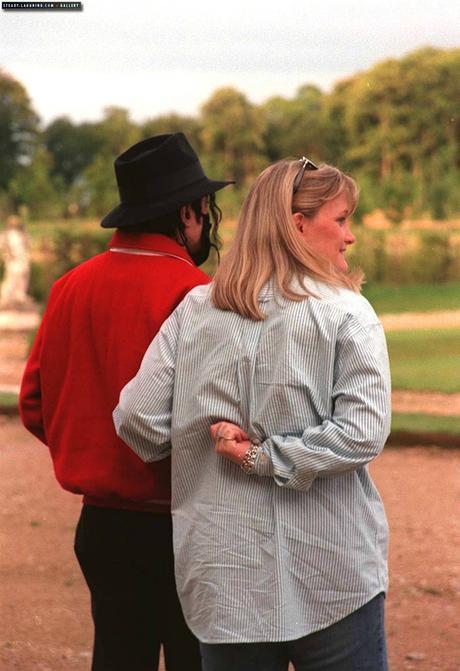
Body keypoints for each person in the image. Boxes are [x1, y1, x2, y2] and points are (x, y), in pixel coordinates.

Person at [114, 157, 392, 671]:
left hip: (225, 578)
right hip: (333, 577)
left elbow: (137, 420)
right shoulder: (348, 311)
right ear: (297, 224)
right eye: (343, 218)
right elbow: (363, 433)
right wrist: (263, 457)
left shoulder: (195, 310)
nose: (349, 237)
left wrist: (203, 432)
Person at [19, 132, 233, 671]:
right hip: (182, 521)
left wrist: (93, 447)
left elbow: (34, 403)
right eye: (205, 209)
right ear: (187, 212)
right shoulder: (193, 293)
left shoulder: (69, 285)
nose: (208, 221)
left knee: (117, 656)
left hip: (102, 527)